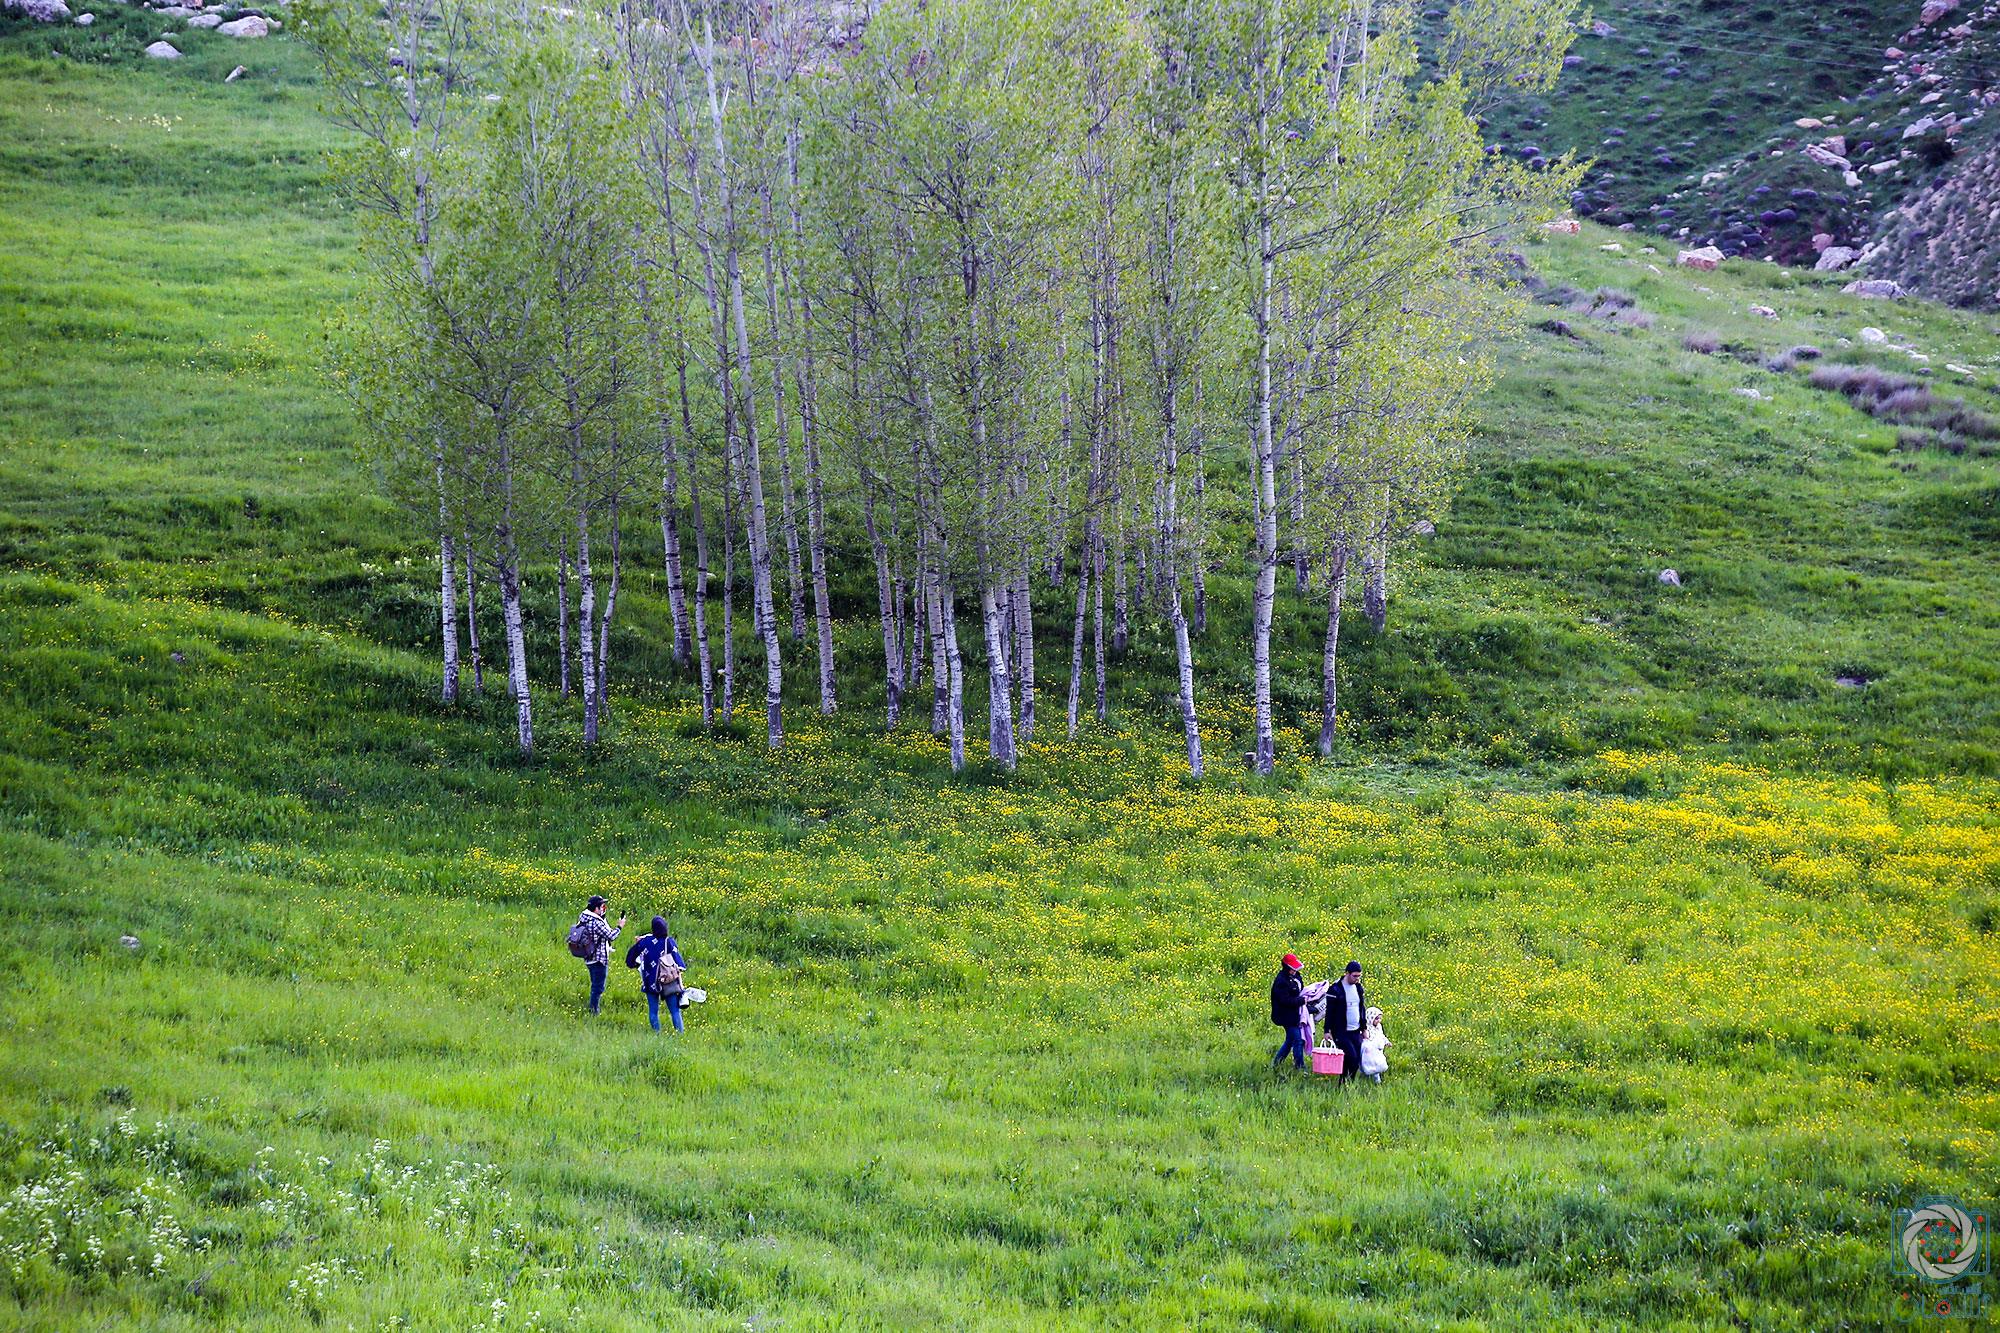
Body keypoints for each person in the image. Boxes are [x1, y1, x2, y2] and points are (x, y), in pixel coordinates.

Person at [624, 916, 687, 1034]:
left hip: (650, 981)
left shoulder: (646, 941)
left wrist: (634, 965)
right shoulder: (669, 942)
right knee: (675, 1011)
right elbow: (679, 964)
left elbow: (631, 956)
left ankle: (657, 1034)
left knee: (653, 1011)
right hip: (668, 981)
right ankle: (680, 1035)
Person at [573, 895, 624, 1016]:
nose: (604, 908)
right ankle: (593, 1011)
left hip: (589, 958)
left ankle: (593, 1008)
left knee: (595, 984)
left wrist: (603, 917)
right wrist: (620, 926)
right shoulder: (596, 922)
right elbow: (611, 936)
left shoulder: (584, 918)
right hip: (598, 959)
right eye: (602, 906)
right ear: (596, 908)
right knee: (598, 988)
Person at [1269, 953, 1309, 1072]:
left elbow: (1301, 990)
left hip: (1295, 1014)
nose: (1294, 971)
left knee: (1290, 1040)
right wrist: (1301, 1001)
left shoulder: (1296, 976)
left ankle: (1276, 1063)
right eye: (1292, 969)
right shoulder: (1281, 981)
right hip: (1285, 1016)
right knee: (1297, 1040)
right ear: (1286, 968)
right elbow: (1284, 1000)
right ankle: (1300, 1067)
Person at [1330, 960, 1367, 1082]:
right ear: (1347, 973)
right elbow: (1329, 1012)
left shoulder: (1358, 988)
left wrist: (1364, 1028)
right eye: (1355, 976)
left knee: (1355, 1061)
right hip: (1341, 1031)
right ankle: (1344, 1082)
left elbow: (1361, 1008)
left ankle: (1347, 1083)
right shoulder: (1335, 989)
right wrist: (1327, 1031)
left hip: (1355, 1030)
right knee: (1351, 1057)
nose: (1357, 979)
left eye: (1359, 976)